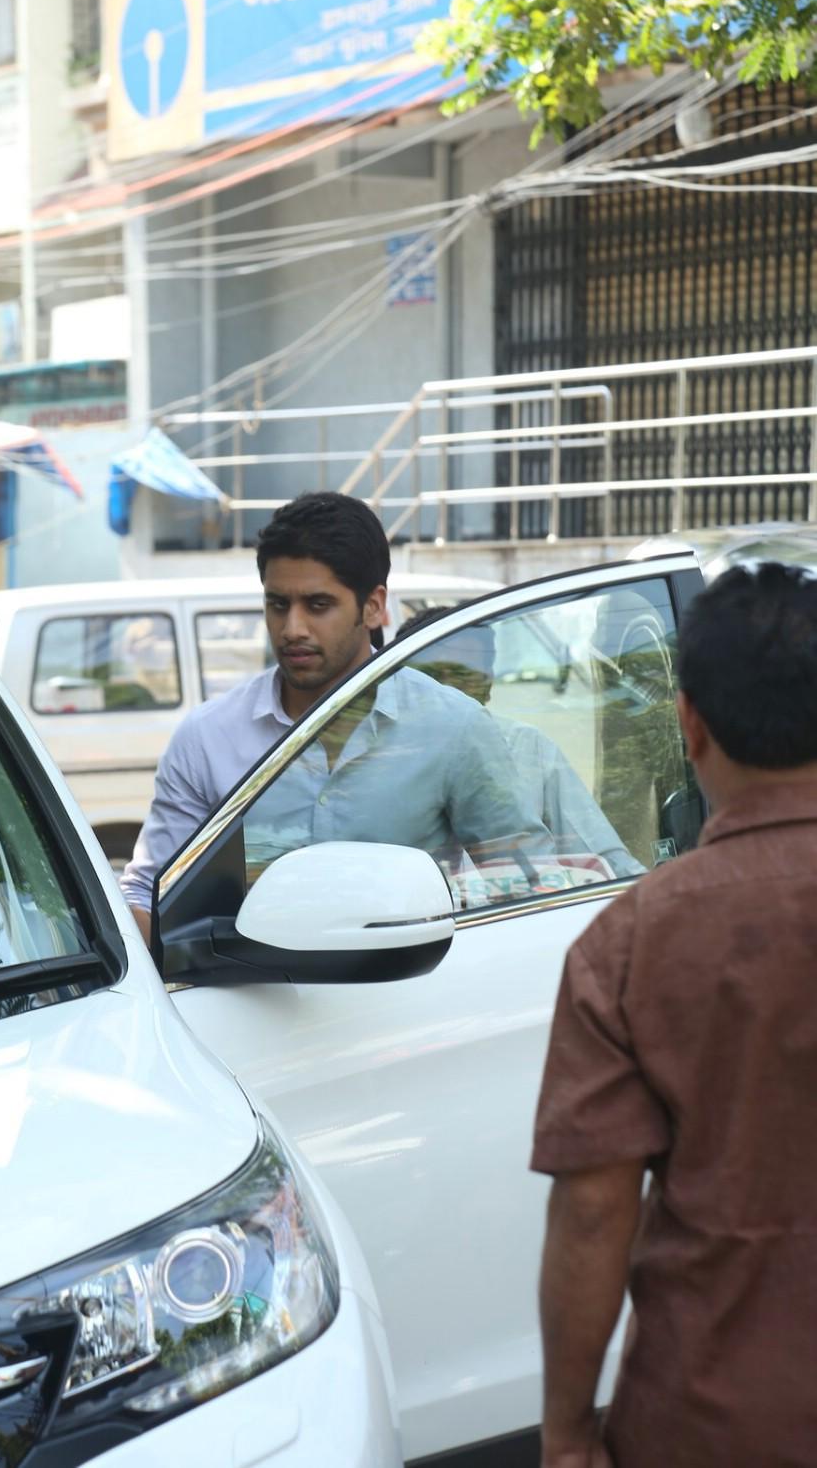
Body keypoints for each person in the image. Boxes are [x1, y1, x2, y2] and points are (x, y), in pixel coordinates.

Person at [530, 561, 817, 1468]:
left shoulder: (628, 943)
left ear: (688, 723)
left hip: (709, 1419)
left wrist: (569, 1433)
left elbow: (590, 1218)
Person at [120, 492, 549, 941]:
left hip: (415, 1000)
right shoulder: (207, 737)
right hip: (245, 1003)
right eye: (278, 604)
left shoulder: (454, 728)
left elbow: (528, 888)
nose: (293, 629)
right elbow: (152, 895)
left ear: (373, 606)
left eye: (318, 605)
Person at [395, 605, 644, 881]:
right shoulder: (379, 764)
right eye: (438, 677)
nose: (449, 697)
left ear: (488, 682)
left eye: (466, 676)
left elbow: (605, 860)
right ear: (406, 683)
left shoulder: (529, 748)